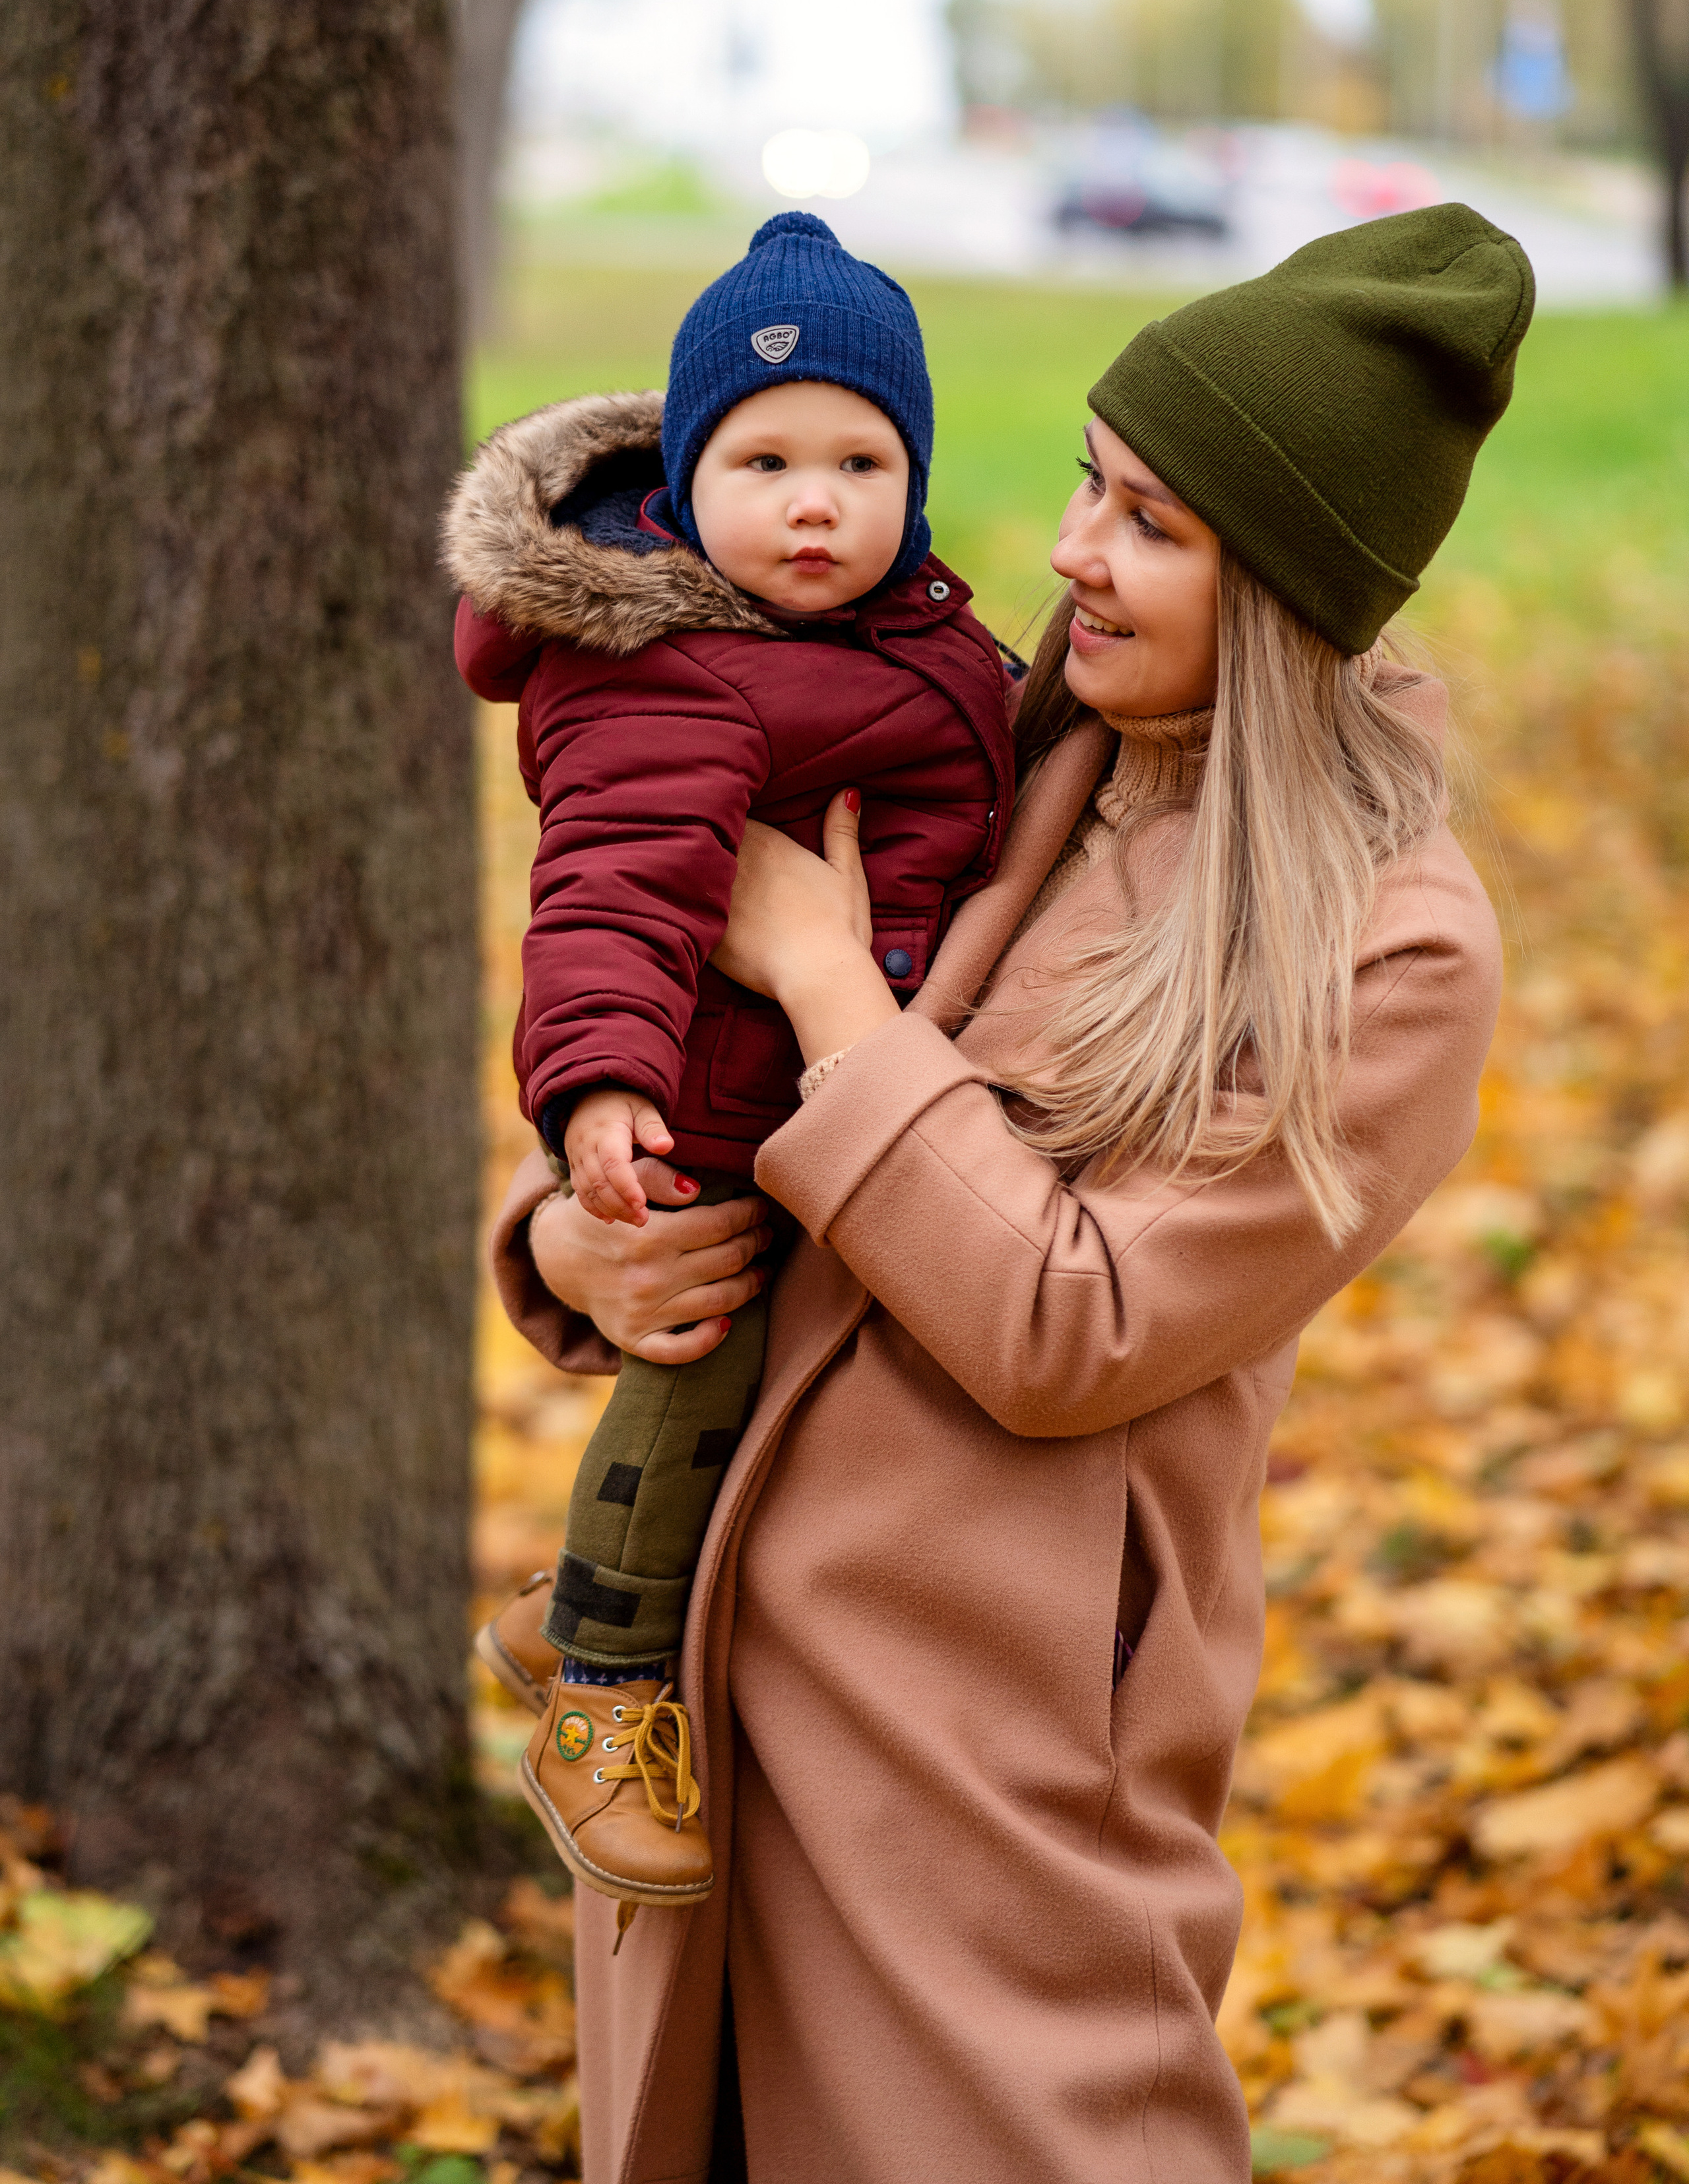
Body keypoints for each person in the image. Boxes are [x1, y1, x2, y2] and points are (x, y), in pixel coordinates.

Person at [490, 202, 1529, 2182]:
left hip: (984, 1800)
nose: (1067, 550)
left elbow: (1082, 1330)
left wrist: (813, 978)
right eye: (1084, 482)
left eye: (1149, 521)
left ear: (1294, 585)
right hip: (706, 1704)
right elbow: (671, 1014)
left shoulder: (1391, 948)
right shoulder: (1023, 731)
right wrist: (571, 1242)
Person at [445, 211, 1015, 1917]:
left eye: (863, 457)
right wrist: (598, 1090)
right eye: (765, 460)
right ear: (685, 485)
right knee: (703, 1358)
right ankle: (604, 1699)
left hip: (829, 1075)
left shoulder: (904, 637)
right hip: (713, 1100)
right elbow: (608, 887)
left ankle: (573, 1601)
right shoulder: (671, 666)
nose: (818, 501)